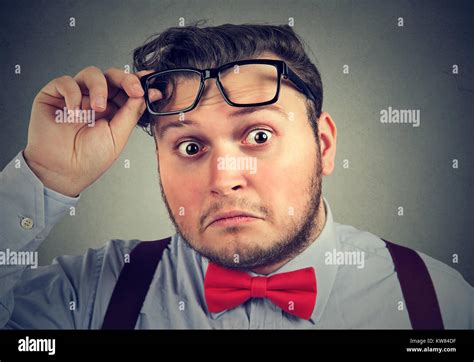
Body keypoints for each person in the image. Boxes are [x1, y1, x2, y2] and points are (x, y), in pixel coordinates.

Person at [0, 23, 471, 329]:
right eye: (190, 146)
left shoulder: (438, 304)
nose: (224, 178)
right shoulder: (88, 295)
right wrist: (43, 178)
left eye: (259, 136)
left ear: (323, 146)